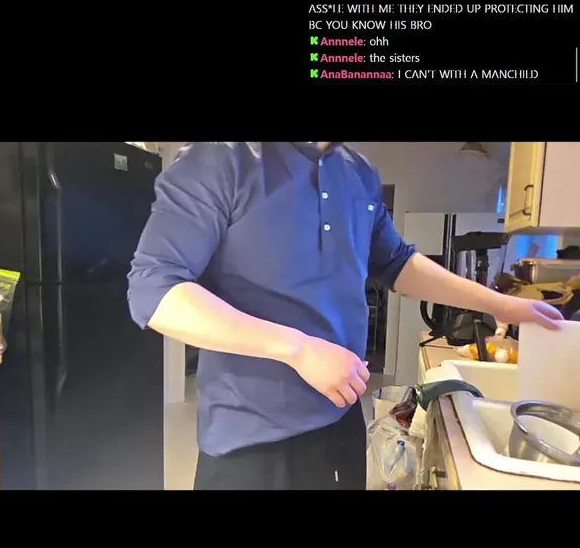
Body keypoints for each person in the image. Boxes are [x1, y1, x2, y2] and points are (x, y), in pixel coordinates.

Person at [128, 142, 564, 490]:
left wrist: (501, 304)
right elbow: (155, 289)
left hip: (341, 420)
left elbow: (396, 263)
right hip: (251, 440)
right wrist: (297, 348)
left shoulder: (359, 172)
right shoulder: (221, 158)